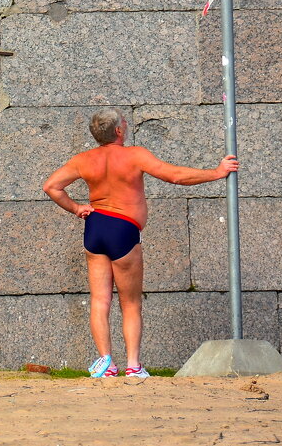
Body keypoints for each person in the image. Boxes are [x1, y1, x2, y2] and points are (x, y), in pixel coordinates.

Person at [42, 108, 239, 379]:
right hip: (123, 229)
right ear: (119, 131)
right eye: (125, 122)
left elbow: (51, 186)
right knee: (131, 303)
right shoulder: (135, 155)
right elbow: (175, 176)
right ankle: (133, 366)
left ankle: (106, 364)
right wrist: (217, 172)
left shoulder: (83, 159)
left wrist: (77, 208)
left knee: (100, 300)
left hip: (95, 228)